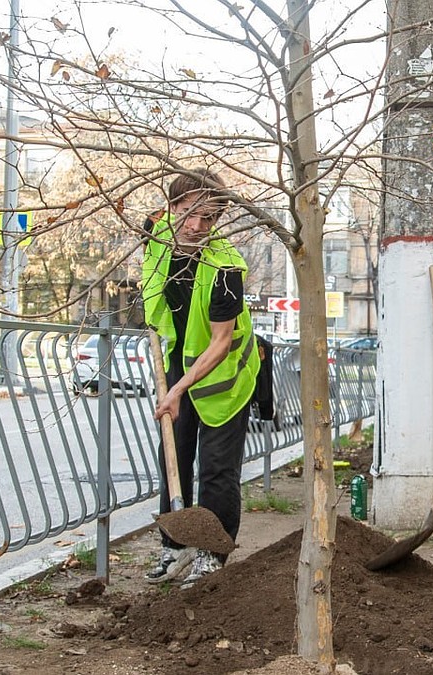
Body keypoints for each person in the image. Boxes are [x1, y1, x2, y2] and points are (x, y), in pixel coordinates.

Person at [140, 170, 260, 588]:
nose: (195, 226)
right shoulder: (156, 238)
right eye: (187, 212)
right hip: (178, 363)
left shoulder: (225, 268)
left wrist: (177, 389)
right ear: (171, 208)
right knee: (172, 457)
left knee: (215, 471)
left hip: (223, 375)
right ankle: (174, 547)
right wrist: (173, 381)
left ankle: (213, 555)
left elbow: (220, 343)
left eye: (208, 217)